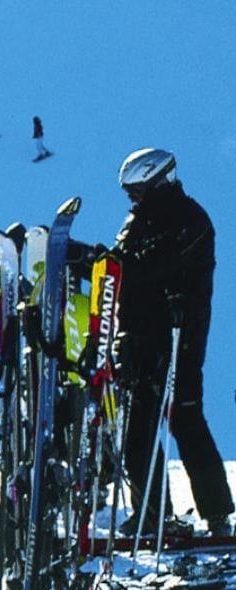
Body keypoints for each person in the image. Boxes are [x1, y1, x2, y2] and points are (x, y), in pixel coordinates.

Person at [114, 148, 234, 535]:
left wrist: (109, 262)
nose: (132, 199)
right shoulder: (138, 222)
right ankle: (152, 513)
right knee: (138, 425)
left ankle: (216, 511)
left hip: (181, 336)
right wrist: (91, 261)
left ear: (157, 183)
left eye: (137, 190)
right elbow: (123, 269)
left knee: (185, 417)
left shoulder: (190, 221)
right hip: (142, 337)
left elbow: (151, 266)